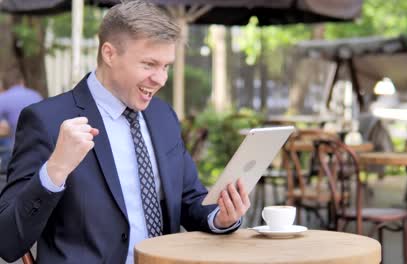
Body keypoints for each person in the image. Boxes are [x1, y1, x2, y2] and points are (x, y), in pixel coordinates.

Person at [0, 1, 250, 263]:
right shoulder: (46, 120)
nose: (161, 79)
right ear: (109, 54)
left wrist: (220, 217)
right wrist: (55, 170)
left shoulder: (163, 116)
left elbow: (189, 199)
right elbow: (7, 240)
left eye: (166, 66)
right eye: (149, 64)